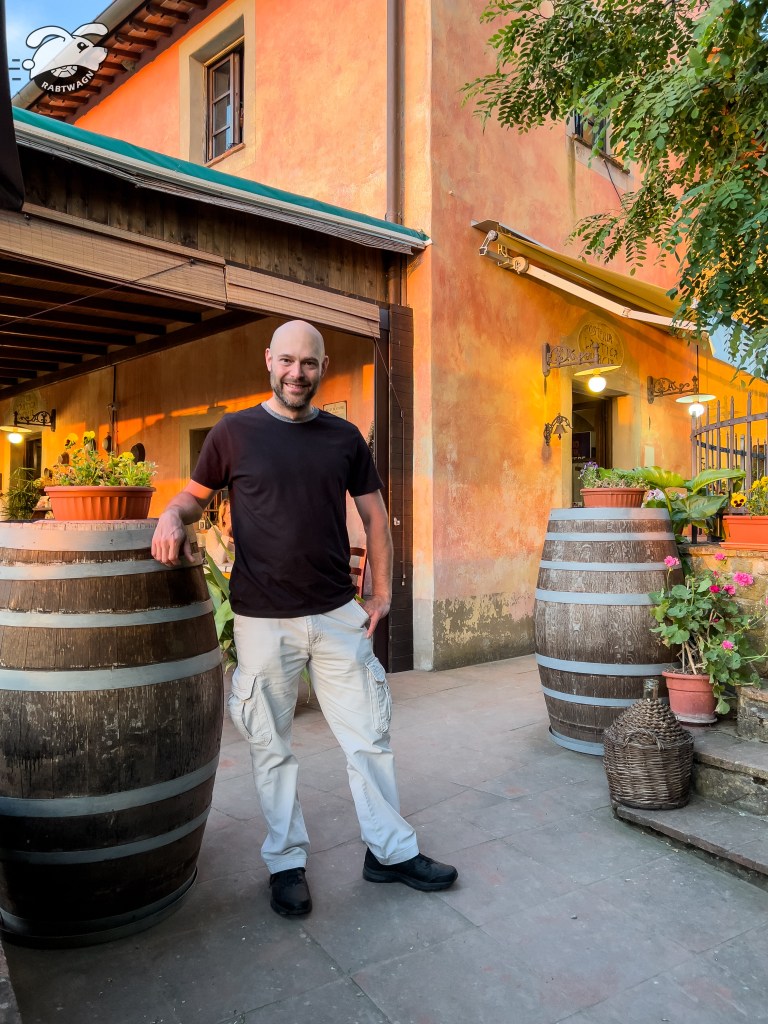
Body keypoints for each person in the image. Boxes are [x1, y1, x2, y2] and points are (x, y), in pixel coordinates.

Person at [151, 319, 457, 917]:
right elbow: (193, 497)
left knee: (369, 738)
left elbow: (376, 516)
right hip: (263, 621)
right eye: (288, 361)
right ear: (269, 360)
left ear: (322, 367)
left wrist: (382, 594)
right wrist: (169, 515)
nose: (298, 373)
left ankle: (389, 852)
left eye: (309, 363)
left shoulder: (344, 438)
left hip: (337, 614)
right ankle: (286, 862)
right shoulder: (233, 432)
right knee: (271, 747)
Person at [204, 498, 234, 570]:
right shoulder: (213, 532)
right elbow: (218, 559)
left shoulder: (241, 531)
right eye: (230, 512)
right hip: (221, 574)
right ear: (223, 517)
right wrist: (226, 533)